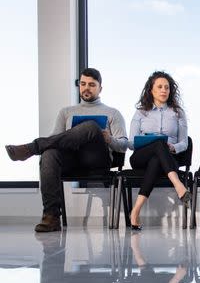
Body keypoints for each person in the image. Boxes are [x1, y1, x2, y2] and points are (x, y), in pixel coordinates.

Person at [4, 68, 128, 232]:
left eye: (91, 85)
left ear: (100, 88)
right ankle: (51, 217)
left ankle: (33, 147)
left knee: (91, 126)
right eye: (83, 84)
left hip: (97, 159)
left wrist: (108, 138)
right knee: (49, 153)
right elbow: (54, 140)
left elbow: (124, 145)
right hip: (72, 160)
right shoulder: (66, 112)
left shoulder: (113, 113)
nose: (86, 88)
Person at [127, 71, 190, 230]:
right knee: (158, 143)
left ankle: (135, 211)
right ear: (151, 90)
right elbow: (131, 142)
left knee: (159, 153)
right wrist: (147, 142)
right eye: (160, 87)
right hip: (141, 157)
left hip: (167, 158)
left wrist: (173, 147)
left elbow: (184, 142)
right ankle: (178, 185)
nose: (164, 90)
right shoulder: (141, 112)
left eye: (167, 87)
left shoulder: (178, 113)